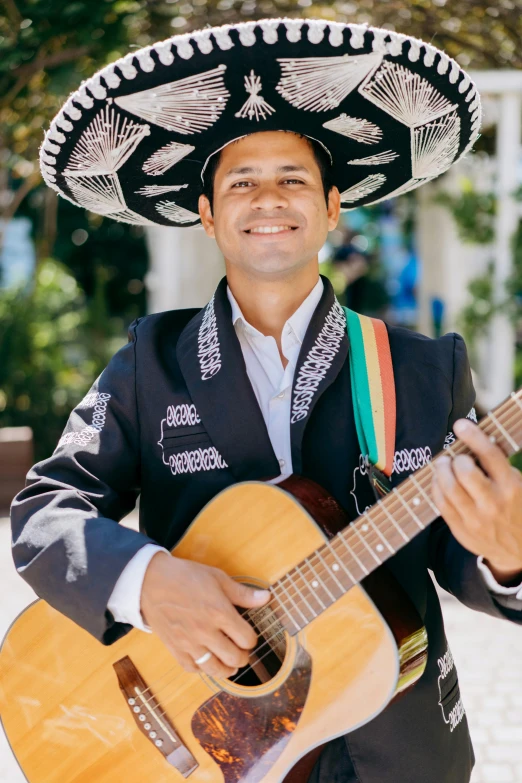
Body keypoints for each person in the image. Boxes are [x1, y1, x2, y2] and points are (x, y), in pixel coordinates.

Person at [12, 18, 522, 783]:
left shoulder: (422, 369)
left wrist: (509, 554)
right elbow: (44, 512)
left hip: (397, 749)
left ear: (332, 206)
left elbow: (463, 556)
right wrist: (148, 582)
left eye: (292, 178)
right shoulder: (151, 364)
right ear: (210, 215)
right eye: (240, 182)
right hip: (209, 751)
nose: (268, 198)